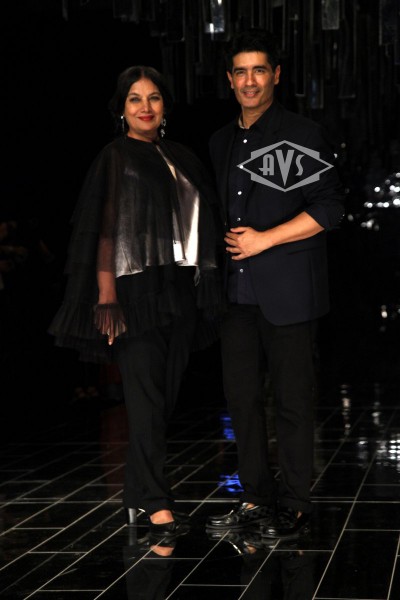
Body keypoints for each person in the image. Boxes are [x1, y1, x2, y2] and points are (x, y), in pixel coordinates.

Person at [49, 65, 222, 538]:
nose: (146, 107)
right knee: (145, 403)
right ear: (121, 109)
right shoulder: (115, 156)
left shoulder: (182, 156)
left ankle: (135, 495)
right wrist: (106, 299)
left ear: (165, 106)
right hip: (135, 293)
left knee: (163, 402)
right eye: (134, 99)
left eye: (154, 98)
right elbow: (104, 231)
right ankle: (157, 503)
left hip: (181, 290)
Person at [206, 29, 345, 538]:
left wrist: (265, 239)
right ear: (230, 79)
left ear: (276, 75)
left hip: (289, 294)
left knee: (292, 402)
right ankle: (256, 500)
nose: (250, 81)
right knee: (242, 403)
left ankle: (296, 505)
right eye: (241, 71)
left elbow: (330, 208)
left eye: (259, 70)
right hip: (236, 296)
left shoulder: (303, 134)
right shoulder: (220, 141)